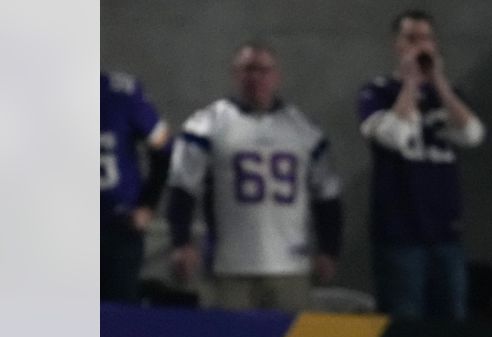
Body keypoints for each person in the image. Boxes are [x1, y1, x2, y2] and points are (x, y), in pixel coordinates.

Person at [167, 41, 344, 312]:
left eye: (264, 70)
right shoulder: (207, 124)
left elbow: (327, 195)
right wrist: (181, 242)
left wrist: (329, 249)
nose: (256, 77)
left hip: (290, 266)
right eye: (248, 69)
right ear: (235, 74)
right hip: (229, 265)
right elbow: (182, 188)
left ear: (277, 76)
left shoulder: (303, 129)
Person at [358, 9, 486, 320]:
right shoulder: (376, 93)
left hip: (445, 233)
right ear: (396, 44)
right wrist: (411, 83)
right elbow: (394, 137)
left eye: (426, 38)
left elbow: (472, 134)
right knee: (405, 321)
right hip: (399, 234)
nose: (420, 46)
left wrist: (439, 83)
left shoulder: (448, 96)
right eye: (411, 38)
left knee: (451, 318)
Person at [100, 71, 172, 303]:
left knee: (118, 323)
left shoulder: (121, 92)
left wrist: (147, 206)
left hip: (117, 228)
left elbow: (165, 151)